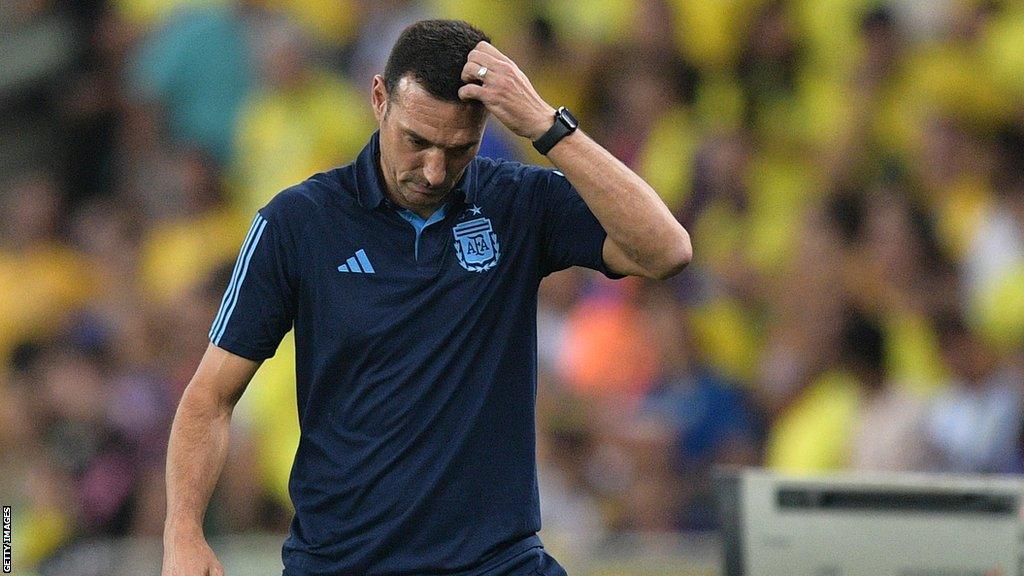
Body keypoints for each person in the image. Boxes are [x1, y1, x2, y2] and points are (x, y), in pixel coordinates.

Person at [161, 19, 691, 576]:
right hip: (345, 564)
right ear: (378, 99)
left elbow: (668, 250)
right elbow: (210, 397)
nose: (435, 170)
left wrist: (547, 126)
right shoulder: (298, 223)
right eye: (417, 141)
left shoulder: (516, 204)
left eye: (458, 148)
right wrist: (183, 532)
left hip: (496, 563)